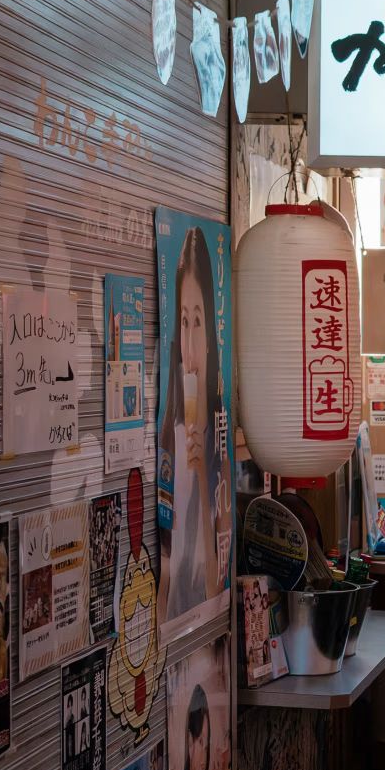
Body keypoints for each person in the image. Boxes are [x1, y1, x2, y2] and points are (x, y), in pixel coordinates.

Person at [161, 231, 227, 624]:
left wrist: (203, 476)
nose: (189, 339)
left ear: (211, 338)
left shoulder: (220, 432)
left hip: (206, 640)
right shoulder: (170, 432)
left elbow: (216, 589)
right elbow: (165, 576)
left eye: (198, 321)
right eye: (183, 321)